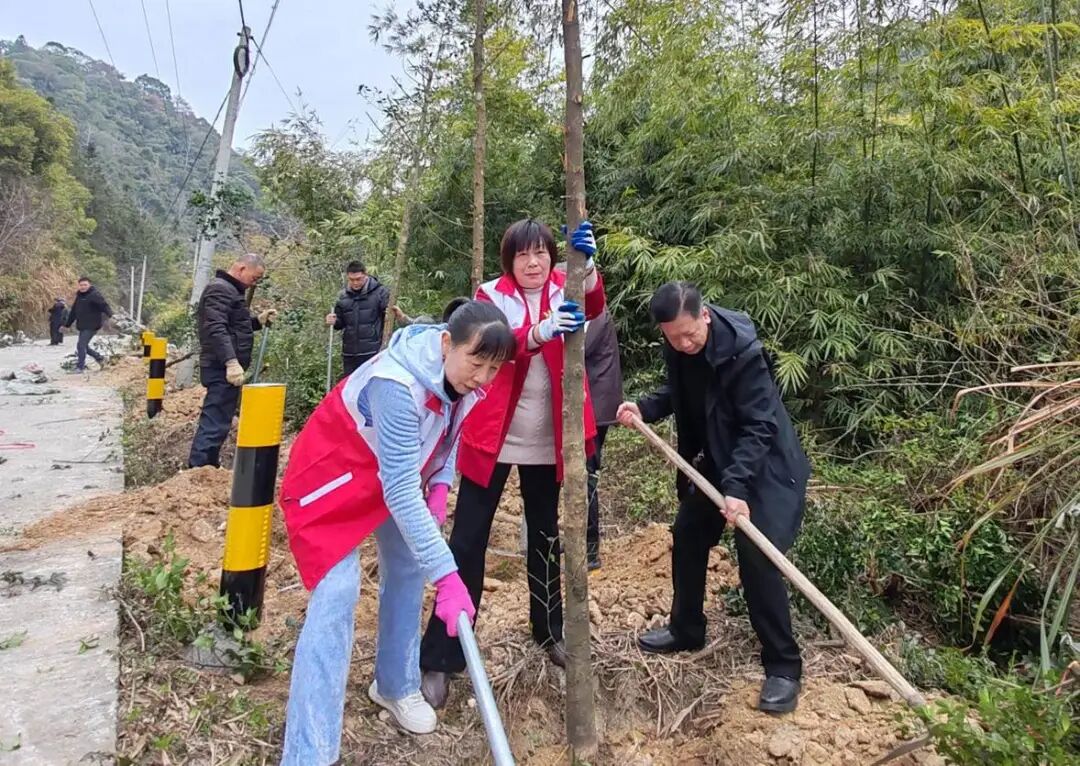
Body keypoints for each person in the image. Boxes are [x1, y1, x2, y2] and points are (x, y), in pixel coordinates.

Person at [278, 301, 515, 762]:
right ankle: (309, 752)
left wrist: (441, 484)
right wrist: (448, 576)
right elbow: (401, 490)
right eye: (476, 363)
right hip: (331, 479)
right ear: (446, 344)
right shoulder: (396, 385)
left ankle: (395, 684)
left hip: (391, 474)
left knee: (407, 566)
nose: (483, 377)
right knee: (337, 593)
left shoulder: (462, 379)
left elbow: (449, 432)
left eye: (493, 368)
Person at [419, 219, 606, 708]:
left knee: (544, 537)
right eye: (522, 255)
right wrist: (540, 331)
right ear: (509, 261)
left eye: (541, 253)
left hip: (550, 439)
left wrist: (587, 265)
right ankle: (443, 655)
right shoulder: (490, 295)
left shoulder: (567, 282)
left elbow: (594, 305)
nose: (533, 263)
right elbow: (498, 343)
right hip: (494, 437)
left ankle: (549, 632)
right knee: (468, 540)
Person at [616, 281, 811, 714]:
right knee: (688, 532)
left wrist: (737, 490)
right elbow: (682, 391)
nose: (684, 344)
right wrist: (645, 408)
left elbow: (760, 427)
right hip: (719, 460)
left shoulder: (744, 353)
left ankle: (783, 666)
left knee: (756, 553)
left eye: (690, 334)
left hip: (766, 467)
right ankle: (686, 629)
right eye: (674, 338)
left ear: (704, 315)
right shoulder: (678, 346)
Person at [188, 253, 276, 469]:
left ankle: (208, 466)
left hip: (225, 367)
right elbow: (215, 328)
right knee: (215, 419)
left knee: (220, 419)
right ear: (242, 268)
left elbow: (234, 327)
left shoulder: (231, 291)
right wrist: (230, 362)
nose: (254, 283)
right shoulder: (220, 289)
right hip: (220, 367)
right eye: (254, 277)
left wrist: (257, 321)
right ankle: (198, 468)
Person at [584, 307, 624, 570]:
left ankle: (590, 549)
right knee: (580, 474)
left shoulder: (596, 313)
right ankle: (579, 538)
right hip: (591, 405)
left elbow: (577, 348)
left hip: (596, 409)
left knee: (587, 474)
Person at [324, 260, 391, 377]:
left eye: (358, 279)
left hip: (373, 352)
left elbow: (389, 318)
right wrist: (333, 321)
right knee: (350, 386)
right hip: (350, 354)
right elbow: (340, 324)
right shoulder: (342, 296)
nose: (355, 283)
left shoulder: (381, 292)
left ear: (365, 275)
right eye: (351, 280)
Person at [64, 277, 112, 372]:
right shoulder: (79, 296)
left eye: (85, 285)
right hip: (82, 325)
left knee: (80, 345)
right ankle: (100, 358)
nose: (83, 287)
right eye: (81, 285)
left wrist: (111, 316)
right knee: (84, 346)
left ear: (89, 285)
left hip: (93, 325)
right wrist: (67, 325)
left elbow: (104, 306)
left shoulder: (94, 295)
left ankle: (80, 367)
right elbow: (73, 312)